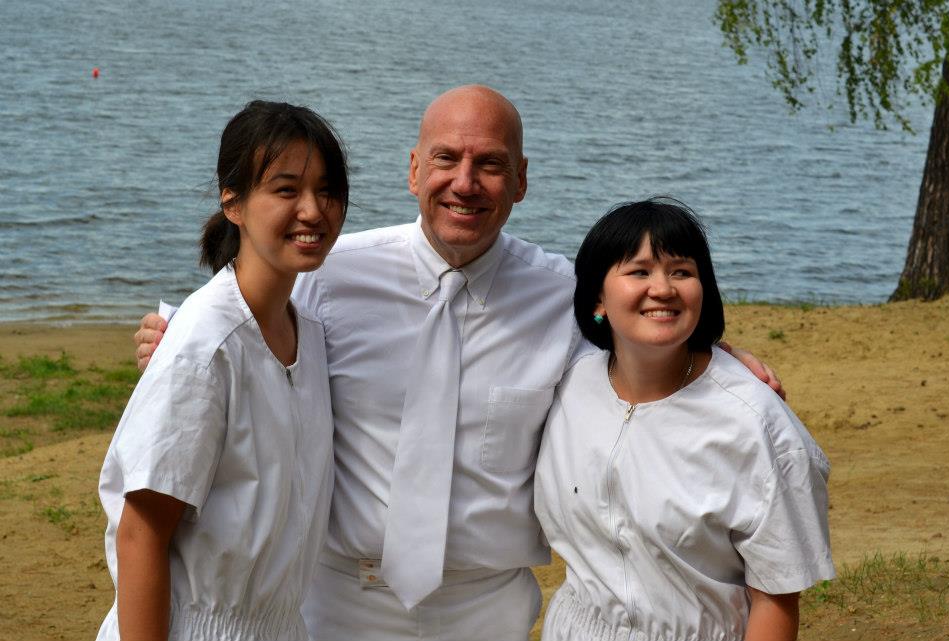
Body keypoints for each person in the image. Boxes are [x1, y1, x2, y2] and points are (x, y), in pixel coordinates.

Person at [133, 85, 783, 641]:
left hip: (488, 609)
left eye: (490, 164)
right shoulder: (327, 276)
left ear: (521, 180)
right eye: (446, 159)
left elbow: (648, 344)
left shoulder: (566, 295)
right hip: (334, 603)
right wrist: (166, 336)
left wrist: (719, 359)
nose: (465, 183)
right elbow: (236, 329)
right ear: (415, 170)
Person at [97, 101, 349, 641]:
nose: (313, 210)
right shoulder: (206, 344)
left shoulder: (308, 333)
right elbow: (140, 533)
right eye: (286, 189)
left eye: (327, 190)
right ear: (233, 202)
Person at [534, 198, 834, 641]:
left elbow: (776, 600)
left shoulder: (757, 425)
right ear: (598, 296)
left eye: (681, 272)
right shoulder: (564, 381)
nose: (663, 288)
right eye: (639, 271)